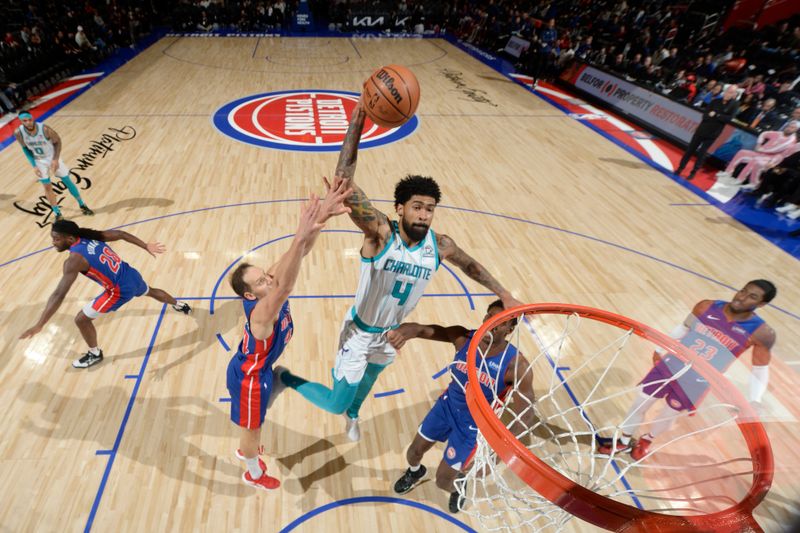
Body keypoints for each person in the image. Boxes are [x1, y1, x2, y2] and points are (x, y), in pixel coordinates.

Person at [280, 99, 522, 442]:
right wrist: (359, 119)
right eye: (417, 207)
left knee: (370, 378)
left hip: (394, 331)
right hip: (359, 330)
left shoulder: (440, 245)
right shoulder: (380, 233)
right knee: (335, 402)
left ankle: (354, 413)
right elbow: (343, 180)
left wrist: (503, 293)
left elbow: (470, 265)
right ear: (400, 208)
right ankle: (287, 378)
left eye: (430, 209)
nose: (424, 214)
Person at [226, 178, 352, 491]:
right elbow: (287, 284)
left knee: (263, 401)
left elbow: (301, 250)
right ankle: (252, 471)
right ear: (250, 295)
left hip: (261, 369)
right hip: (249, 378)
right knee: (252, 429)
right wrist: (300, 232)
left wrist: (321, 215)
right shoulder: (261, 314)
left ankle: (253, 429)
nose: (268, 279)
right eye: (260, 282)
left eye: (266, 276)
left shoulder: (268, 287)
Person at [597, 281, 776, 460]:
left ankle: (647, 439)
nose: (742, 297)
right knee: (639, 404)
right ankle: (622, 441)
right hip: (670, 365)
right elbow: (684, 328)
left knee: (667, 416)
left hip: (697, 381)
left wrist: (755, 400)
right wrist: (659, 350)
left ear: (761, 304)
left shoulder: (761, 333)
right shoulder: (706, 306)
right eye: (743, 291)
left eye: (752, 296)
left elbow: (760, 368)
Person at [388, 300, 536, 513]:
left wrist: (498, 453)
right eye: (489, 315)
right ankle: (415, 471)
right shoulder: (463, 338)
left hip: (472, 427)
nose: (491, 322)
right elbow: (423, 330)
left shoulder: (516, 365)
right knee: (413, 453)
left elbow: (525, 415)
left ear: (510, 329)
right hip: (446, 408)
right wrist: (406, 330)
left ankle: (461, 483)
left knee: (443, 481)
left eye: (500, 321)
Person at [19, 220, 192, 368]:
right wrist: (145, 245)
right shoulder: (88, 236)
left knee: (81, 319)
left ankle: (95, 354)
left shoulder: (74, 260)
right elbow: (121, 234)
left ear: (70, 238)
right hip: (130, 274)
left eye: (56, 239)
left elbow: (58, 295)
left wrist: (40, 324)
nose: (53, 243)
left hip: (118, 291)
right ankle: (179, 304)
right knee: (151, 291)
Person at [15, 112, 94, 221]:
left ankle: (82, 204)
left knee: (67, 181)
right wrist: (34, 165)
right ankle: (57, 213)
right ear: (21, 121)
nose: (28, 122)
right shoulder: (19, 133)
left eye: (29, 119)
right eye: (25, 121)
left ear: (32, 118)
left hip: (52, 157)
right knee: (47, 187)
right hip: (39, 160)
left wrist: (55, 159)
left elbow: (58, 142)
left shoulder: (45, 129)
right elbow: (25, 149)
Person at [676, 84, 740, 180]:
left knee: (702, 153)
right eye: (727, 91)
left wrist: (716, 115)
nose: (728, 94)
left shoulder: (734, 105)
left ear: (734, 94)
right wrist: (717, 116)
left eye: (731, 92)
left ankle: (693, 172)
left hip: (713, 133)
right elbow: (705, 115)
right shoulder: (715, 101)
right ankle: (680, 168)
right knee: (690, 150)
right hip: (702, 129)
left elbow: (728, 119)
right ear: (724, 92)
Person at [715, 121, 799, 188]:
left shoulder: (791, 141)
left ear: (795, 130)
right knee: (742, 152)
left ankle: (741, 179)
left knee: (756, 161)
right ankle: (728, 171)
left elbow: (781, 153)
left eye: (792, 128)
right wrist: (759, 144)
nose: (789, 128)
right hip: (760, 154)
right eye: (789, 126)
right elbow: (764, 133)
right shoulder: (778, 133)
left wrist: (770, 158)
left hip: (771, 159)